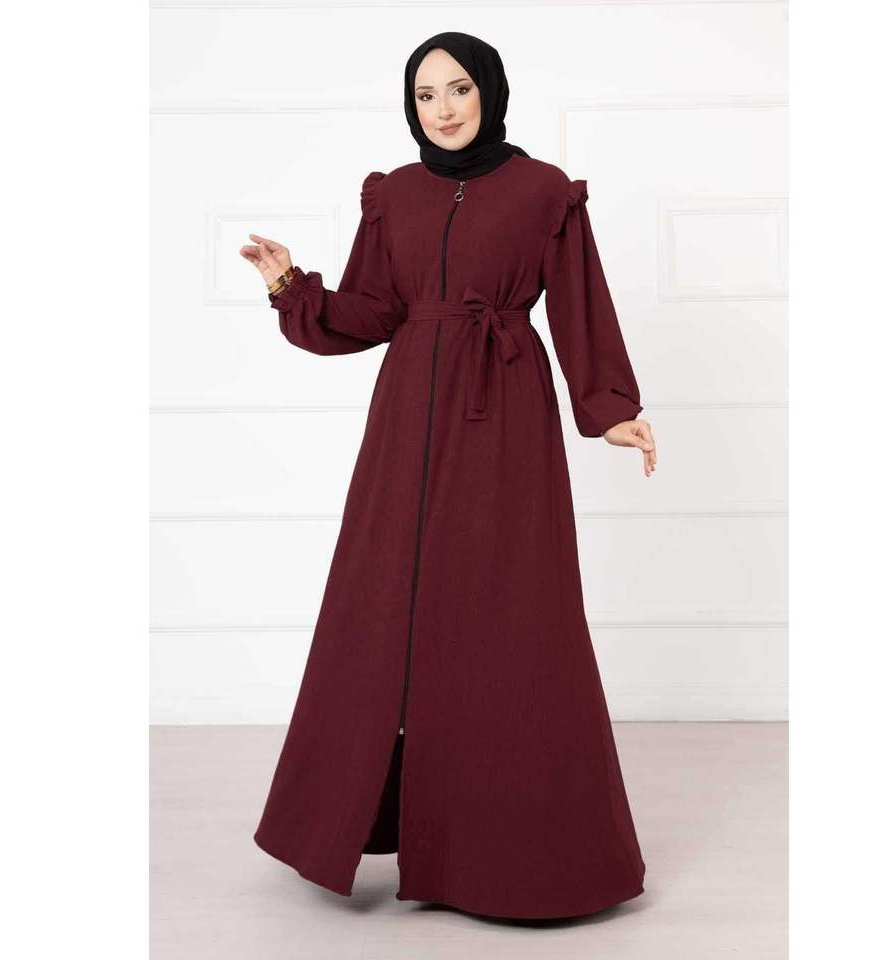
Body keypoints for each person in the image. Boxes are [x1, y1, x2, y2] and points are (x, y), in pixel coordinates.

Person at [239, 31, 656, 921]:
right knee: (380, 603)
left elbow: (580, 303)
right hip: (405, 425)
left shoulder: (543, 191)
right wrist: (290, 287)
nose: (444, 108)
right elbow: (370, 312)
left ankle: (515, 857)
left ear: (490, 92)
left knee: (510, 613)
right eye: (425, 95)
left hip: (503, 415)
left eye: (459, 88)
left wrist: (609, 406)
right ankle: (366, 821)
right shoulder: (394, 195)